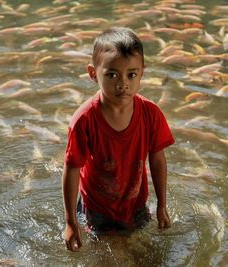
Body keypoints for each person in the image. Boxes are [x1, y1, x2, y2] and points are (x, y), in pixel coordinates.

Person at [62, 27, 175, 251]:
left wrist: (162, 204)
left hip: (135, 202)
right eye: (112, 75)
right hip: (96, 207)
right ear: (93, 74)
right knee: (105, 255)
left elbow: (157, 159)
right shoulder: (84, 120)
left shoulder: (150, 114)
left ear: (142, 72)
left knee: (146, 254)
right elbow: (72, 168)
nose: (123, 83)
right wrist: (69, 222)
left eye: (131, 74)